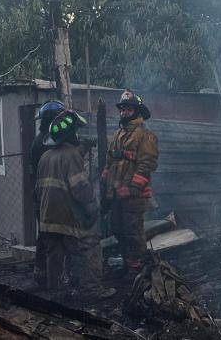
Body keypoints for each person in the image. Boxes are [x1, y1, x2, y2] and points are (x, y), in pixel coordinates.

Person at [37, 110, 116, 299]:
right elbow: (80, 187)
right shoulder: (71, 155)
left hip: (48, 218)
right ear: (71, 134)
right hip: (68, 217)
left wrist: (82, 150)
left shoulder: (45, 156)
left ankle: (55, 292)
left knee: (54, 253)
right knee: (91, 246)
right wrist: (93, 209)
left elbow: (45, 185)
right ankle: (92, 289)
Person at [101, 90, 159, 277]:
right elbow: (110, 160)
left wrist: (133, 188)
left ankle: (137, 270)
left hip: (134, 195)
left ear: (137, 111)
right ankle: (129, 262)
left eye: (128, 108)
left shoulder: (145, 135)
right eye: (122, 108)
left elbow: (147, 164)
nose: (124, 112)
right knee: (117, 228)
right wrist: (105, 181)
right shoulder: (119, 134)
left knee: (133, 232)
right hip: (117, 193)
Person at [31, 100, 66, 286]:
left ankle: (41, 273)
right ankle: (54, 281)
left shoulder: (40, 139)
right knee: (53, 239)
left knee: (44, 234)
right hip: (49, 198)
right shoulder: (47, 142)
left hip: (40, 197)